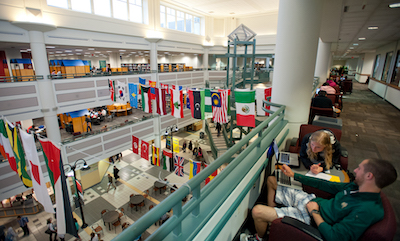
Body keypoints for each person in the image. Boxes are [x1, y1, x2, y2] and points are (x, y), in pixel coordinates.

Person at [251, 159, 397, 241]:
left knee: (257, 212)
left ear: (369, 176)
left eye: (359, 168)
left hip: (311, 219)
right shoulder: (357, 186)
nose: (356, 171)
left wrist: (314, 212)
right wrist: (293, 175)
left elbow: (334, 238)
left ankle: (261, 238)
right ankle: (273, 224)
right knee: (272, 180)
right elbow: (327, 185)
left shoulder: (366, 210)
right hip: (312, 202)